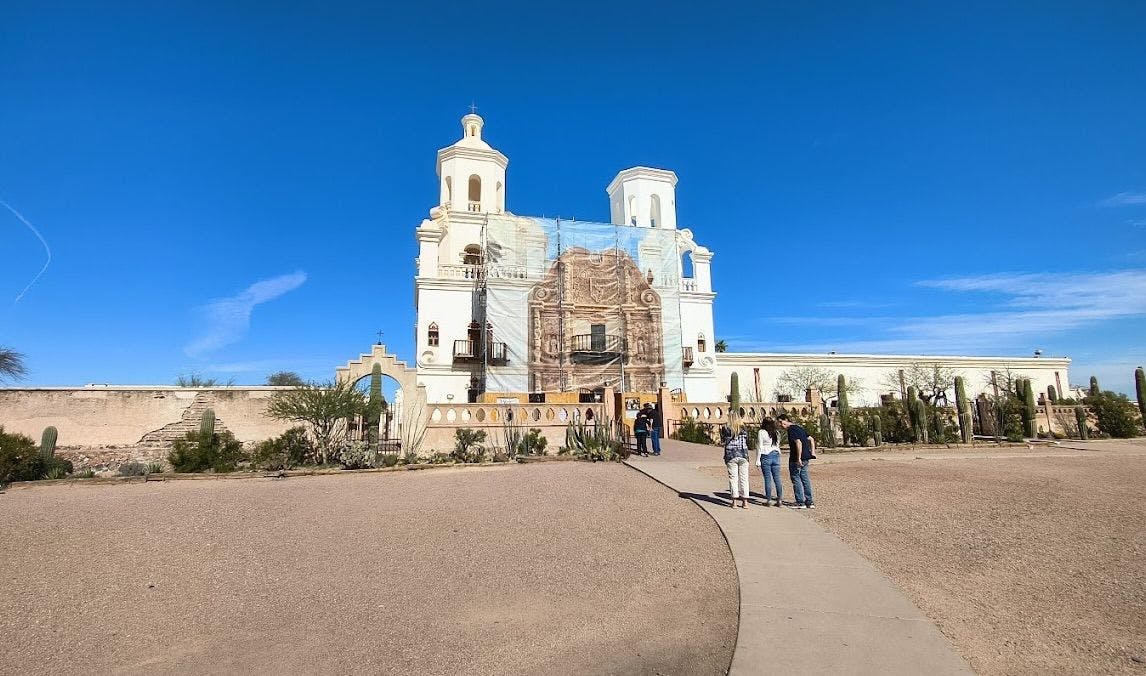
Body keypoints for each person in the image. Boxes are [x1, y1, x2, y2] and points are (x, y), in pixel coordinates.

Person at [777, 414, 814, 509]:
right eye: (779, 423)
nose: (781, 424)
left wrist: (798, 458)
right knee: (805, 478)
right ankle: (809, 501)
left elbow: (798, 443)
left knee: (796, 478)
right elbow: (811, 439)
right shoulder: (799, 428)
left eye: (781, 422)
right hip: (806, 456)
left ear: (786, 420)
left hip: (796, 458)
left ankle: (800, 502)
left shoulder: (791, 430)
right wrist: (812, 452)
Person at [722, 420, 750, 508]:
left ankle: (734, 502)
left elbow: (724, 441)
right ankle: (745, 502)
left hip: (731, 455)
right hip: (743, 454)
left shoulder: (726, 429)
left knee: (733, 478)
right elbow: (747, 439)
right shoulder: (744, 428)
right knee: (744, 478)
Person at [756, 417, 783, 507]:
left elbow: (760, 446)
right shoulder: (777, 433)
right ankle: (779, 499)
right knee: (777, 478)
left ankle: (769, 500)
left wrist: (757, 460)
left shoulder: (762, 432)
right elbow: (778, 444)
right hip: (775, 454)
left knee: (768, 478)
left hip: (766, 455)